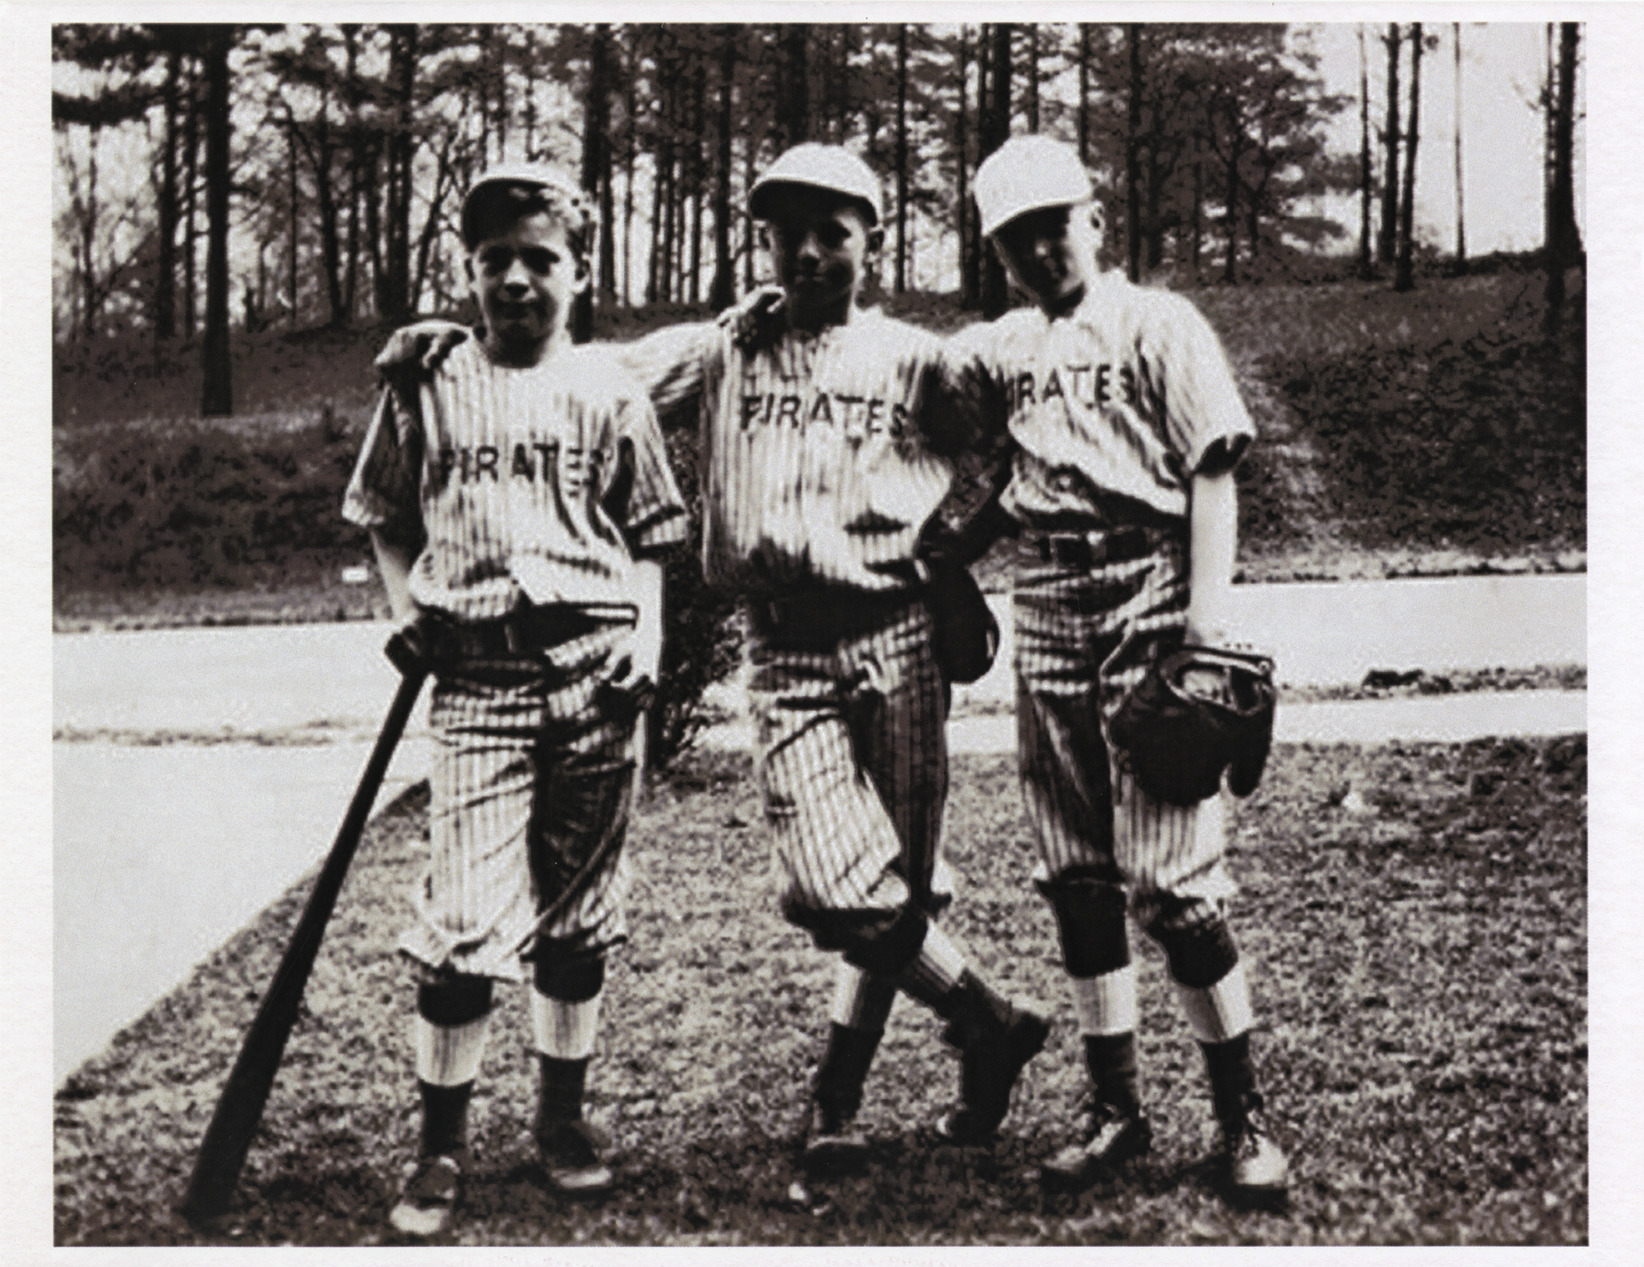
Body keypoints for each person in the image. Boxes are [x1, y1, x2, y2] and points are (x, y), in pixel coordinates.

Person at [379, 143, 1050, 1179]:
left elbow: (1022, 436)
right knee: (831, 885)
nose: (810, 253)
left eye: (834, 233)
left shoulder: (916, 358)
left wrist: (960, 544)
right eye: (789, 234)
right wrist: (443, 343)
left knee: (902, 885)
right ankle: (987, 1016)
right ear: (763, 242)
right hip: (784, 640)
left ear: (871, 242)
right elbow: (565, 378)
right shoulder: (723, 347)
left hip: (900, 631)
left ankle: (840, 1097)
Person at [343, 162, 689, 1237]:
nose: (517, 280)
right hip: (477, 677)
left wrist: (648, 638)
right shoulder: (427, 379)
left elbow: (651, 535)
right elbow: (383, 512)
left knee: (578, 915)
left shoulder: (610, 388)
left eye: (540, 258)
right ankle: (440, 1146)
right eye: (496, 259)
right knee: (462, 923)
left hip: (594, 670)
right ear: (469, 270)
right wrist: (406, 607)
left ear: (577, 272)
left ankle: (562, 1121)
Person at [945, 134, 1290, 1205]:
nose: (1039, 250)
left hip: (1149, 583)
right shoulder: (1004, 346)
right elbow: (919, 386)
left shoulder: (1158, 321)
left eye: (1053, 225)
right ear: (998, 253)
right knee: (1078, 876)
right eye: (1015, 238)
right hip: (1047, 592)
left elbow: (1212, 470)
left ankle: (1241, 1116)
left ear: (1093, 219)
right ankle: (1117, 1108)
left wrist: (1207, 635)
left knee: (1173, 884)